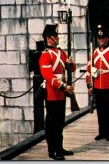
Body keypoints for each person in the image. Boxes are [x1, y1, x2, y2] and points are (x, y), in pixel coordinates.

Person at [39, 24, 76, 160]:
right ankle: (52, 150)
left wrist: (70, 63)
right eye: (55, 36)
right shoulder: (45, 55)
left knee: (60, 122)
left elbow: (72, 69)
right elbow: (49, 77)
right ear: (49, 39)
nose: (58, 37)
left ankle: (59, 147)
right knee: (52, 123)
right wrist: (64, 87)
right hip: (52, 93)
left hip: (61, 93)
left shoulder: (61, 52)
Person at [86, 24, 109, 141]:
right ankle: (101, 132)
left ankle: (108, 132)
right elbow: (88, 71)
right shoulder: (94, 53)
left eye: (103, 38)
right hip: (97, 85)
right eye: (99, 38)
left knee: (108, 110)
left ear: (107, 39)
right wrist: (89, 85)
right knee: (100, 111)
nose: (101, 40)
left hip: (108, 85)